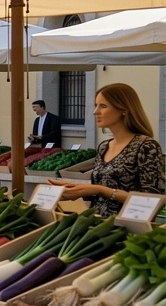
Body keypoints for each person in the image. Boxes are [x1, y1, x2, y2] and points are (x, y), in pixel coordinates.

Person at [55, 83, 166, 216]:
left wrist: (101, 190)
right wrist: (75, 190)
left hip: (128, 229)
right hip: (99, 227)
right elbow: (98, 194)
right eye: (96, 105)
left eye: (103, 106)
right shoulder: (104, 146)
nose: (95, 112)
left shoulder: (146, 147)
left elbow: (153, 201)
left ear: (124, 109)